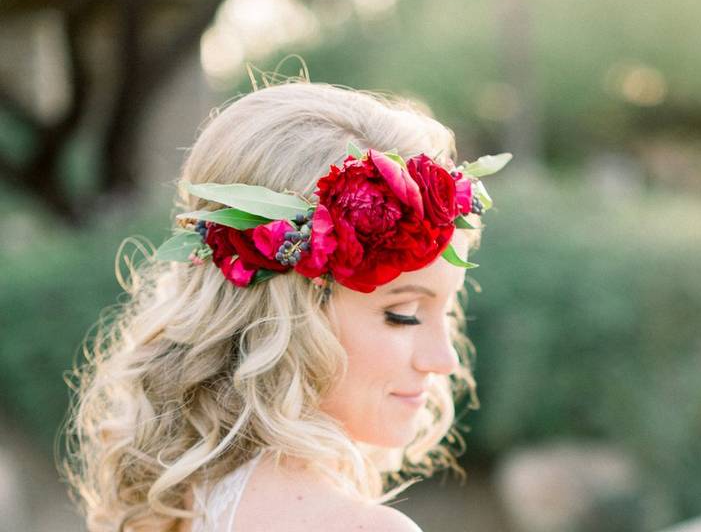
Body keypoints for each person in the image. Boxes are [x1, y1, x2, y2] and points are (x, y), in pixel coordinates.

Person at [60, 82, 510, 532]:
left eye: (447, 312)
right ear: (288, 316)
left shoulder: (189, 495)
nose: (445, 361)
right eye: (404, 315)